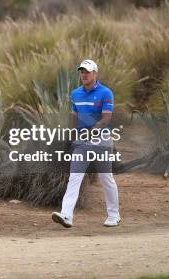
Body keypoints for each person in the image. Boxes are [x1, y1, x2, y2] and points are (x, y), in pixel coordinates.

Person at [51, 59, 121, 228]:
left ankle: (114, 215)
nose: (84, 75)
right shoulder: (76, 94)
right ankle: (66, 215)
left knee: (106, 179)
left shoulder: (106, 93)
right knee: (74, 178)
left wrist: (89, 133)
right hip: (82, 143)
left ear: (95, 74)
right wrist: (73, 136)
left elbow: (105, 119)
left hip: (102, 140)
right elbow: (74, 116)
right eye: (81, 72)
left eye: (87, 72)